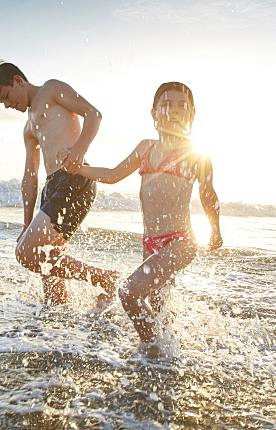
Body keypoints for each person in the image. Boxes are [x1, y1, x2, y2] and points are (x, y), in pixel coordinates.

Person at [64, 82, 222, 357]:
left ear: (191, 115)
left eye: (181, 106)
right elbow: (113, 174)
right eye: (167, 105)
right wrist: (80, 170)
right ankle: (171, 355)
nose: (174, 111)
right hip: (151, 243)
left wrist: (215, 230)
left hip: (180, 242)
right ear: (154, 113)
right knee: (158, 307)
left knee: (129, 292)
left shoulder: (197, 155)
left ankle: (153, 354)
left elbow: (209, 195)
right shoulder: (145, 149)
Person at [0, 62, 118, 305]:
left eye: (6, 96)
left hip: (75, 179)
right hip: (52, 187)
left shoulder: (51, 89)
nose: (7, 104)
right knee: (48, 267)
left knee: (27, 254)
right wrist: (27, 224)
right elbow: (30, 176)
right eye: (2, 102)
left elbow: (93, 114)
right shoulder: (28, 128)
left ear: (18, 80)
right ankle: (58, 329)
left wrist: (80, 149)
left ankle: (104, 278)